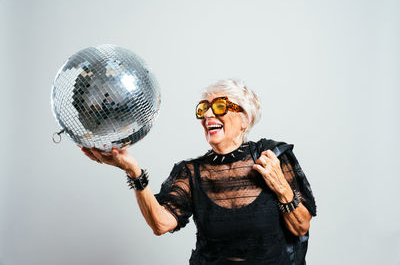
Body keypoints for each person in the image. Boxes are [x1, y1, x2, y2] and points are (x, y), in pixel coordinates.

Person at [81, 79, 317, 264]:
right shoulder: (191, 172)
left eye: (220, 106)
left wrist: (282, 189)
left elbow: (300, 227)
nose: (207, 115)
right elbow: (160, 224)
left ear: (245, 118)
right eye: (203, 108)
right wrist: (134, 172)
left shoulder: (271, 157)